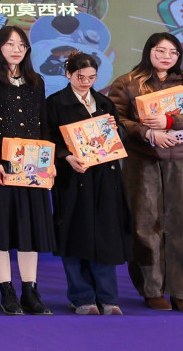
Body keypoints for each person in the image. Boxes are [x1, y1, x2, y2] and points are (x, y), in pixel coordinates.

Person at [106, 32, 183, 313]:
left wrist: (171, 120)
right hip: (141, 161)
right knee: (145, 225)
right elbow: (116, 120)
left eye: (172, 52)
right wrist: (147, 132)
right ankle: (152, 289)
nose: (166, 57)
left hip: (179, 161)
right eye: (160, 51)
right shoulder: (127, 82)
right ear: (149, 52)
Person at [44, 53, 132, 315]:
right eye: (80, 77)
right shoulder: (55, 103)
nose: (85, 82)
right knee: (75, 236)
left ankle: (108, 298)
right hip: (73, 178)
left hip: (105, 178)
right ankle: (82, 297)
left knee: (106, 236)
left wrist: (117, 129)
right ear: (68, 74)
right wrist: (65, 156)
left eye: (91, 78)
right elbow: (47, 138)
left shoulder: (104, 102)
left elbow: (121, 137)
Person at [0, 25, 54, 316]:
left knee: (30, 228)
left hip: (33, 165)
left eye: (21, 44)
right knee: (2, 228)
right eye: (10, 44)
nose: (16, 49)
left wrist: (48, 160)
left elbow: (43, 121)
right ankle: (6, 291)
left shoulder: (36, 81)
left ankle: (30, 291)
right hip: (2, 167)